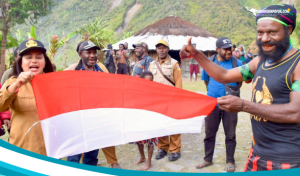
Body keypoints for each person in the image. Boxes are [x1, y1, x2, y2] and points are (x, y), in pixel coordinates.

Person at [180, 4, 300, 172]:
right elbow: (224, 76)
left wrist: (244, 106)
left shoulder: (297, 64)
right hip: (257, 152)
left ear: (288, 30)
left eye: (272, 32)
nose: (264, 39)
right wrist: (197, 55)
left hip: (286, 158)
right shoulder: (260, 62)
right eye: (260, 32)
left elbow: (296, 112)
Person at [65, 41, 121, 168]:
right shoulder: (71, 70)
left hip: (97, 118)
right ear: (80, 54)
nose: (92, 55)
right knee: (74, 154)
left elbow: (110, 88)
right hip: (78, 120)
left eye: (94, 52)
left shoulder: (101, 69)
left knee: (92, 153)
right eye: (88, 52)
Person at [0, 39, 54, 155]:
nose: (34, 61)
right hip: (23, 151)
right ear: (21, 63)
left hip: (50, 151)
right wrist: (16, 84)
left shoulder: (54, 84)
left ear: (45, 62)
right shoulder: (12, 82)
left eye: (39, 57)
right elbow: (1, 106)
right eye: (28, 57)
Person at [197, 37, 243, 172]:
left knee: (230, 134)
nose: (229, 51)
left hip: (231, 105)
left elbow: (240, 81)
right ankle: (207, 159)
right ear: (218, 50)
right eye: (226, 49)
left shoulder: (237, 63)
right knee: (209, 133)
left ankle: (230, 161)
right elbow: (206, 81)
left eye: (230, 48)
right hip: (212, 104)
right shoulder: (209, 63)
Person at [149, 39, 182, 161]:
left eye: (163, 48)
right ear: (156, 50)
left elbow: (178, 82)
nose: (161, 50)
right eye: (159, 48)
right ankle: (162, 147)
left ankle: (175, 149)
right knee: (160, 125)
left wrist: (179, 99)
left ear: (168, 49)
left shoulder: (174, 63)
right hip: (157, 101)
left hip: (172, 99)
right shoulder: (152, 64)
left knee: (173, 125)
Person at [135, 71, 158, 170]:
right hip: (140, 120)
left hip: (151, 120)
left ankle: (149, 162)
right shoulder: (138, 92)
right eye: (146, 81)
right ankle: (142, 157)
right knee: (139, 140)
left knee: (150, 142)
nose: (149, 83)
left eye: (151, 81)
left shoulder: (155, 92)